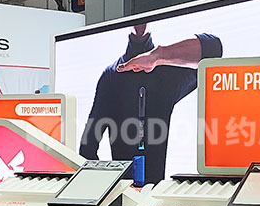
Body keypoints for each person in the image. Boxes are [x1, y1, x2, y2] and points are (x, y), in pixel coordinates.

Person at [80, 23, 222, 185]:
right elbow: (87, 147)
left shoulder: (167, 72)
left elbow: (213, 50)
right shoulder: (112, 76)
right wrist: (103, 189)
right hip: (124, 191)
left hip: (153, 191)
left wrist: (158, 56)